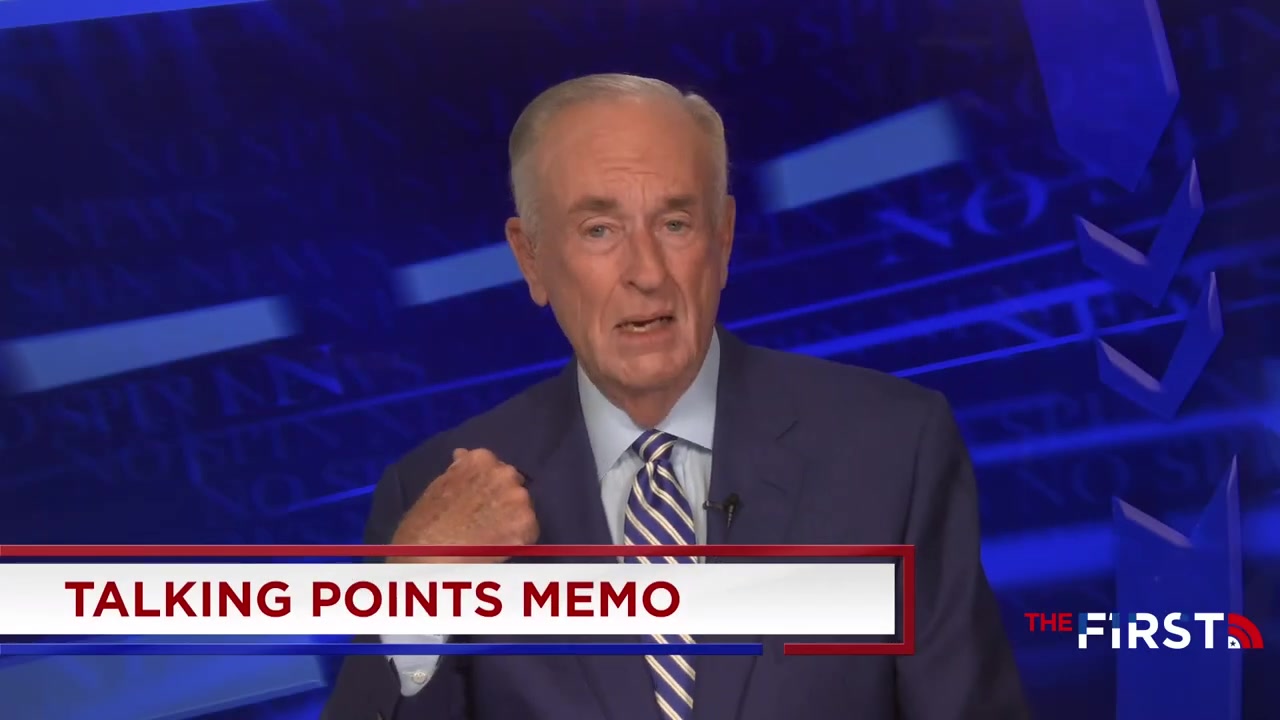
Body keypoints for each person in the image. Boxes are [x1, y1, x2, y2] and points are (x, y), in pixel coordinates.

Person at [324, 73, 1028, 720]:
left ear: (722, 239)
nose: (647, 272)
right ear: (530, 257)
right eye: (599, 230)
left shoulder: (892, 450)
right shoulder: (432, 495)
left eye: (675, 224)